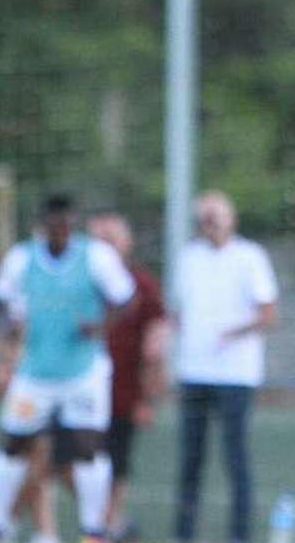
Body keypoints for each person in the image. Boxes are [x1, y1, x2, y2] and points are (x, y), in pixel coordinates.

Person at [0, 195, 135, 542]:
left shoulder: (95, 257)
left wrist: (101, 325)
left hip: (83, 373)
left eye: (65, 223)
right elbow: (6, 309)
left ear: (73, 223)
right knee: (15, 445)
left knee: (87, 450)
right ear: (43, 224)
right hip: (35, 372)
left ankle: (94, 531)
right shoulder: (21, 259)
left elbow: (125, 298)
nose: (60, 230)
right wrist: (7, 349)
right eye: (53, 223)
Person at [172, 191, 279, 543]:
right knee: (190, 459)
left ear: (231, 218)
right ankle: (184, 533)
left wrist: (233, 332)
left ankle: (239, 535)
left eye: (215, 216)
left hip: (235, 375)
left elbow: (268, 313)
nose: (210, 223)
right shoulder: (188, 258)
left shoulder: (250, 257)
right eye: (204, 217)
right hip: (194, 372)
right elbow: (179, 313)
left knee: (235, 457)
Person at [88, 212, 167, 541]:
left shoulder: (141, 283)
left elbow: (155, 342)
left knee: (116, 461)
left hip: (122, 391)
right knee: (62, 457)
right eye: (99, 238)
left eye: (112, 238)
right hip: (76, 387)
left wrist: (147, 397)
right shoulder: (79, 277)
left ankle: (109, 521)